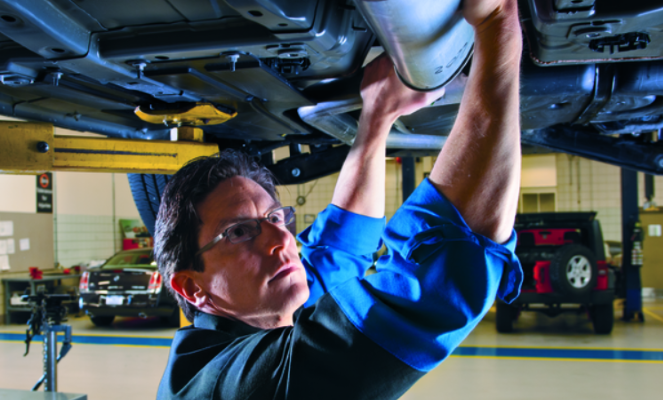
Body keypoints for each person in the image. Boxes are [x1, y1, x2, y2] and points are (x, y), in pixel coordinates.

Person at [154, 0, 523, 398]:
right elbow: (435, 279)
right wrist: (497, 24)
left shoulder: (243, 317)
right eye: (240, 231)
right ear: (192, 288)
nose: (282, 241)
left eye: (276, 219)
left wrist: (377, 115)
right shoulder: (237, 387)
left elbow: (336, 255)